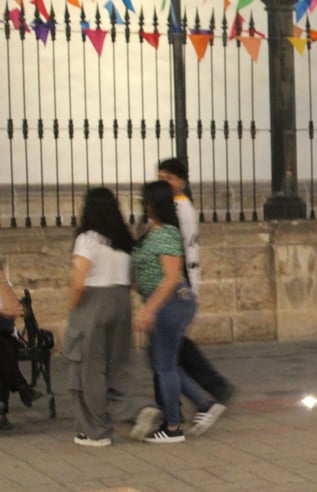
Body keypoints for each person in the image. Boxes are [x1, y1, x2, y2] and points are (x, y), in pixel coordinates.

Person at [66, 188, 163, 446]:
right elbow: (133, 280)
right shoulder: (122, 240)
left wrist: (73, 306)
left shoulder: (87, 239)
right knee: (118, 364)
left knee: (89, 367)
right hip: (120, 301)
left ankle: (96, 430)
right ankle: (138, 410)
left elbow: (79, 280)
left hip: (94, 302)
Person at [132, 181, 220, 443]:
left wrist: (149, 309)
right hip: (164, 303)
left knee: (165, 366)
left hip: (170, 303)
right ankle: (202, 403)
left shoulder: (167, 234)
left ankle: (172, 427)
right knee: (161, 363)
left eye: (145, 200)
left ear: (152, 203)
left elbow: (171, 278)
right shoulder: (151, 231)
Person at [155, 158, 232, 436]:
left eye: (169, 178)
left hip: (179, 287)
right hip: (179, 286)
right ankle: (191, 399)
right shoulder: (174, 207)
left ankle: (201, 399)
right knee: (170, 352)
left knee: (168, 354)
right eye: (160, 177)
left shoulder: (179, 209)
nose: (164, 182)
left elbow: (178, 251)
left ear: (181, 181)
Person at [0, 278, 42, 430]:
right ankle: (20, 386)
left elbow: (17, 310)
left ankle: (3, 409)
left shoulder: (3, 284)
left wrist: (1, 282)